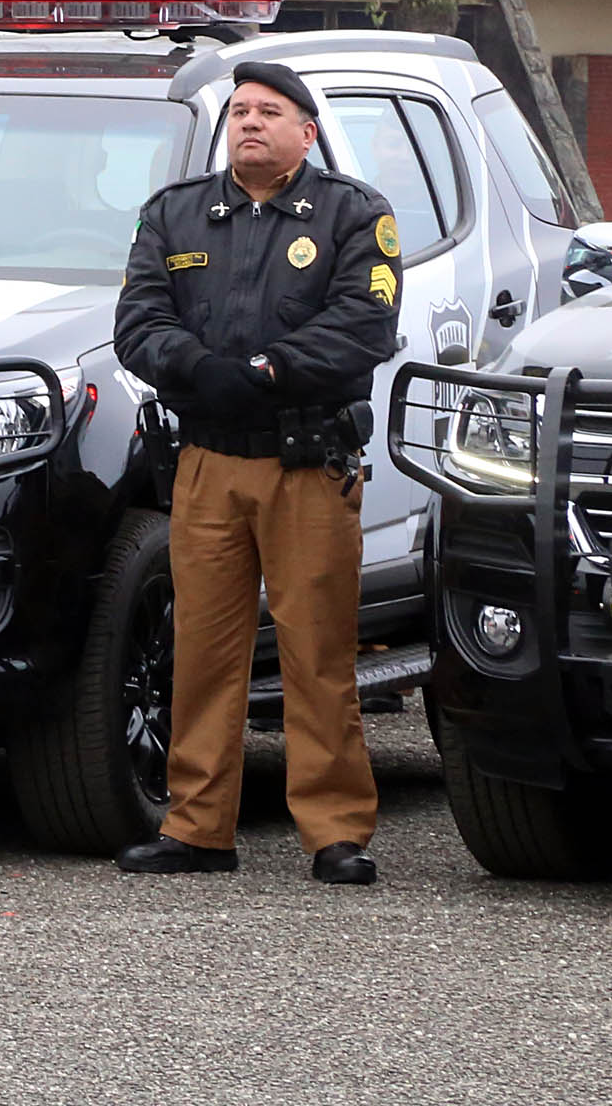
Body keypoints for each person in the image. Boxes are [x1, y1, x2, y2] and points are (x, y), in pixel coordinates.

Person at [112, 61, 401, 884]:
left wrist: (270, 371)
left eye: (269, 112)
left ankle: (336, 832)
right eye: (239, 111)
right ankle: (198, 827)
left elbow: (363, 326)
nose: (249, 123)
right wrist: (197, 368)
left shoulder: (355, 215)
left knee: (317, 652)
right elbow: (138, 319)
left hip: (306, 465)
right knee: (201, 652)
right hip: (208, 462)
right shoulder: (174, 216)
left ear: (307, 132)